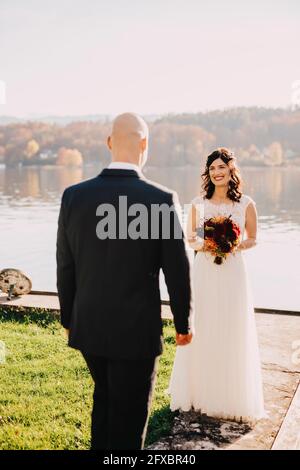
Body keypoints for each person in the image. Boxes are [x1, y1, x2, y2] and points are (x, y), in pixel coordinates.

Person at [56, 112, 193, 450]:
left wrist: (67, 319)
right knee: (130, 421)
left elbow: (65, 265)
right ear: (145, 144)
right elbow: (177, 269)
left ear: (108, 143)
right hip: (135, 331)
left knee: (103, 401)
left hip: (88, 325)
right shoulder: (160, 199)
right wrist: (183, 323)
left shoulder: (74, 196)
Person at [168, 148, 265, 423]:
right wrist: (208, 244)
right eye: (212, 169)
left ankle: (231, 395)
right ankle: (199, 393)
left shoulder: (245, 204)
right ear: (208, 173)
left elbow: (253, 238)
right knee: (204, 324)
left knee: (232, 326)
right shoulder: (199, 204)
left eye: (221, 167)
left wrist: (234, 245)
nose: (217, 173)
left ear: (231, 170)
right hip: (205, 269)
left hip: (233, 270)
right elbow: (190, 237)